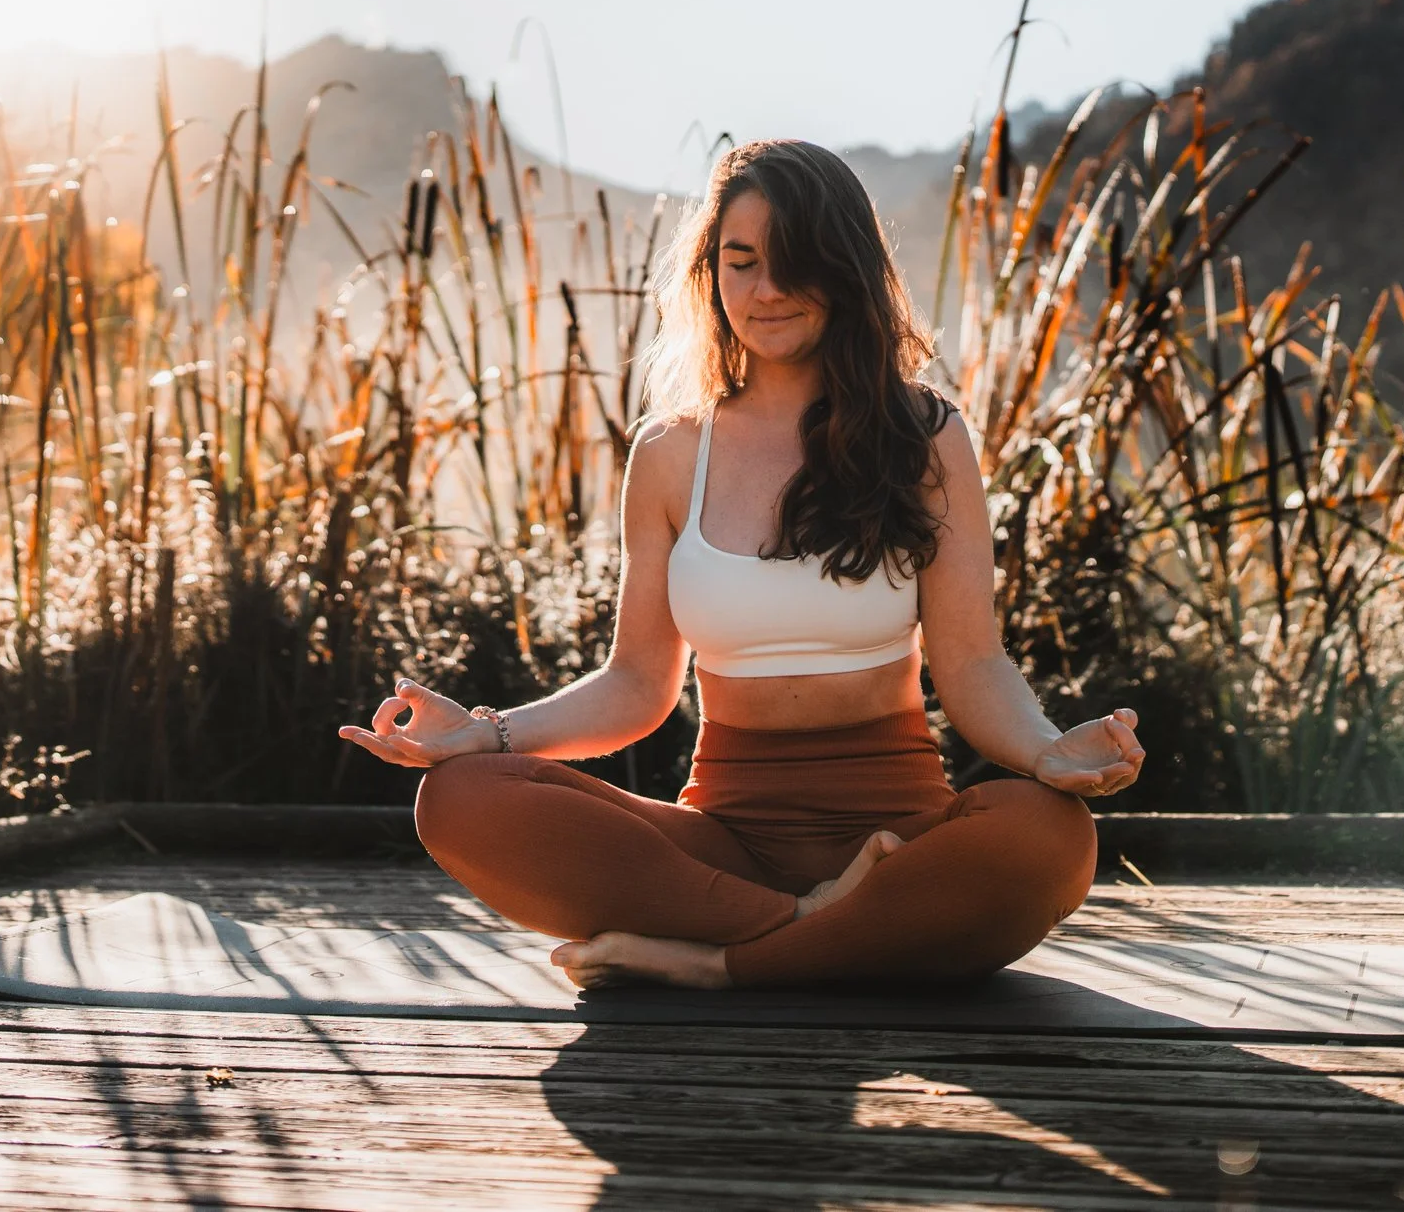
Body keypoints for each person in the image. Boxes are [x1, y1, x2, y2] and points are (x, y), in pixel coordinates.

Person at [341, 139, 1145, 991]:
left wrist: (1048, 752)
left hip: (900, 833)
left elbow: (974, 660)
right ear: (709, 273)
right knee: (461, 799)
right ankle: (813, 928)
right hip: (723, 843)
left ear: (847, 267)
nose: (766, 290)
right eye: (741, 261)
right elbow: (636, 685)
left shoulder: (925, 436)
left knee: (1051, 835)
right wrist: (484, 733)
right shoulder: (668, 451)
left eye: (795, 262)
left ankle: (719, 962)